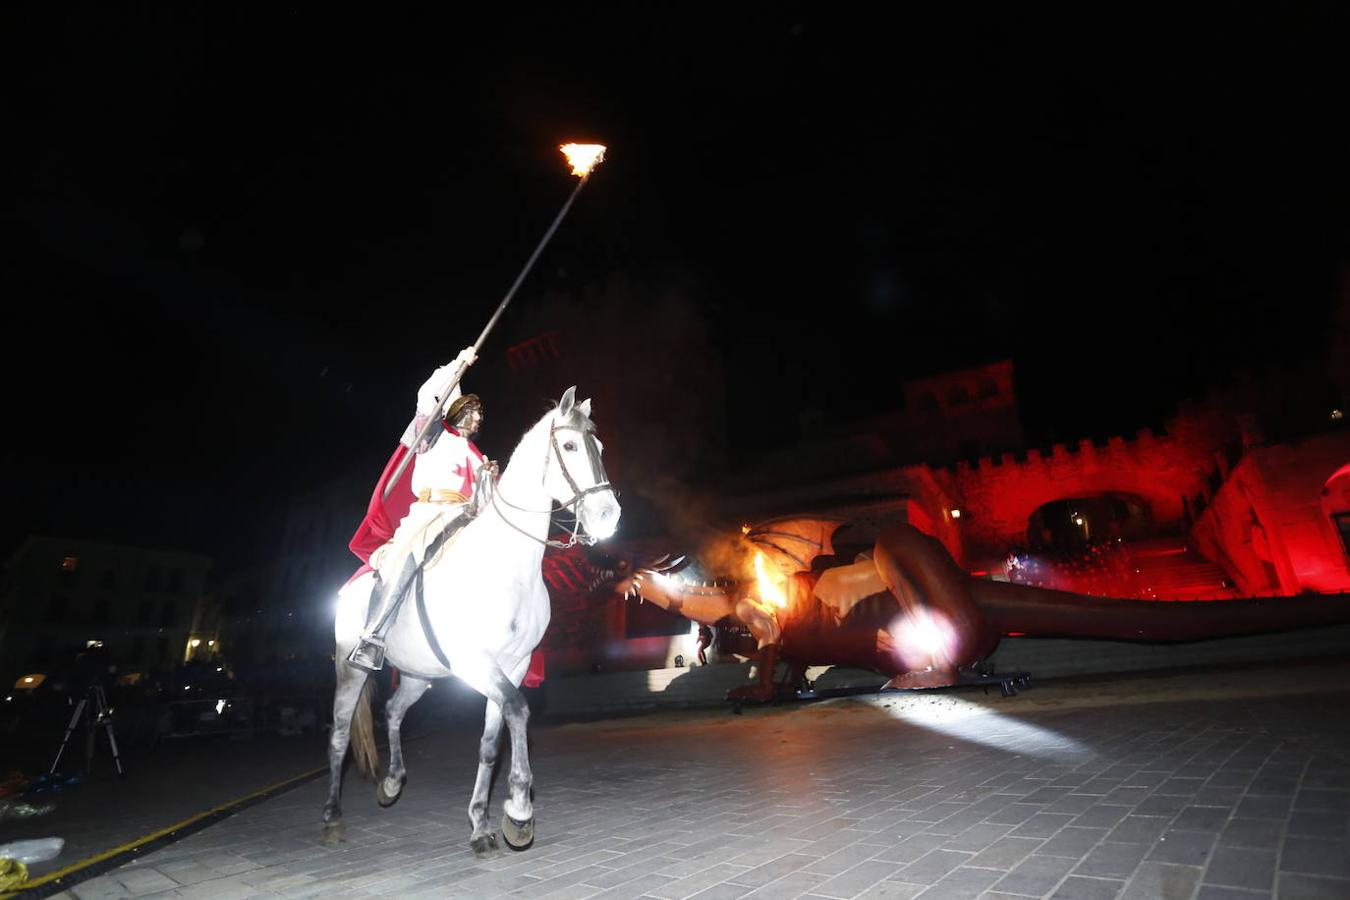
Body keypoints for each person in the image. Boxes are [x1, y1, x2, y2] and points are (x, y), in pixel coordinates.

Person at [346, 347, 492, 671]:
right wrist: (458, 364)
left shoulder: (476, 455)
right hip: (429, 512)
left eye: (480, 414)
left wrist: (489, 482)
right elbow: (430, 394)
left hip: (463, 517)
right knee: (408, 556)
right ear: (456, 414)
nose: (478, 418)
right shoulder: (433, 434)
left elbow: (486, 503)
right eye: (472, 412)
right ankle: (375, 633)